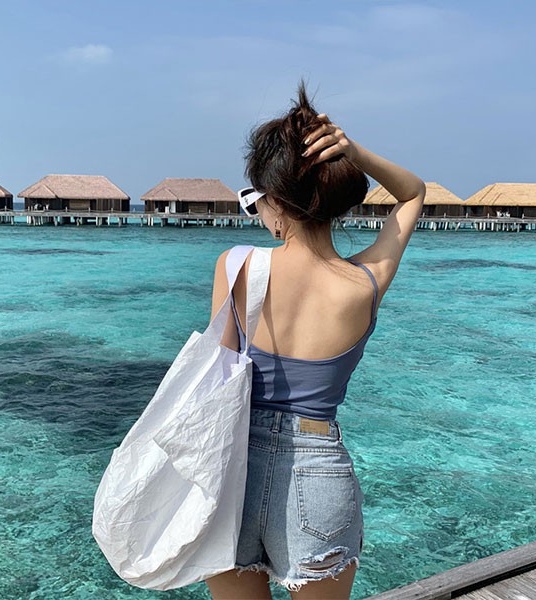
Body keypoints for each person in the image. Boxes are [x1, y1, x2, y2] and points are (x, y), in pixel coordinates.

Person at [206, 84, 426, 600]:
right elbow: (413, 193)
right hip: (320, 477)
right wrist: (352, 151)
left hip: (233, 471)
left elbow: (218, 380)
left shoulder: (236, 267)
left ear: (275, 202)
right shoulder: (364, 284)